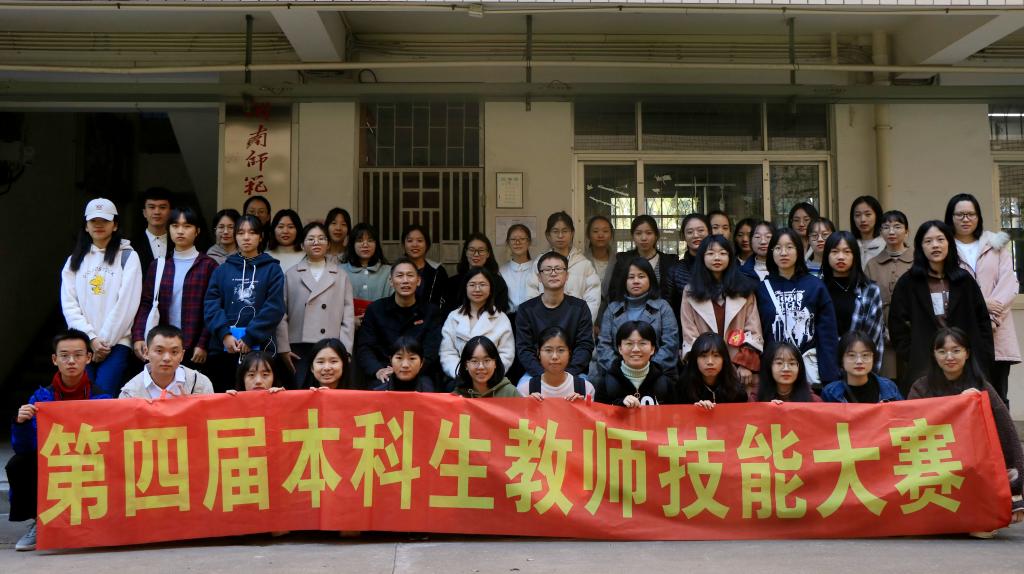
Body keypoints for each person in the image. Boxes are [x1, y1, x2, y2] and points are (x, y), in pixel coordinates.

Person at [907, 327, 1024, 532]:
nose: (949, 357)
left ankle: (980, 518)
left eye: (956, 350)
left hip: (973, 462)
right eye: (942, 351)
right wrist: (955, 405)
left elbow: (1007, 434)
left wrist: (1016, 493)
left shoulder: (982, 388)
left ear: (967, 353)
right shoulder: (921, 387)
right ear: (934, 355)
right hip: (934, 459)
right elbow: (908, 428)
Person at [7, 330, 111, 552]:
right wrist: (21, 423)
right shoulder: (40, 399)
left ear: (88, 358)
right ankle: (40, 521)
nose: (71, 361)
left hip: (90, 463)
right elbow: (24, 448)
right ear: (55, 360)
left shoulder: (102, 399)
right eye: (64, 355)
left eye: (78, 355)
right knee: (18, 463)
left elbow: (112, 445)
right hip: (54, 462)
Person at [890, 220, 993, 387]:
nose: (935, 245)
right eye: (928, 241)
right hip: (924, 364)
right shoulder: (908, 283)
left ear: (949, 243)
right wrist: (914, 353)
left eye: (940, 239)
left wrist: (982, 355)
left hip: (965, 363)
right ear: (920, 247)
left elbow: (983, 322)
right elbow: (897, 326)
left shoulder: (964, 280)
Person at [61, 197, 142, 396]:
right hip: (81, 345)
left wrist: (103, 342)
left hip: (117, 344)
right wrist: (91, 339)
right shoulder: (74, 260)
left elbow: (127, 304)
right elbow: (69, 305)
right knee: (80, 399)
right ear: (86, 226)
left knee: (103, 397)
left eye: (105, 220)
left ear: (115, 225)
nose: (99, 225)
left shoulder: (128, 256)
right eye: (93, 221)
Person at [945, 193, 1019, 407]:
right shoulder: (945, 248)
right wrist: (981, 304)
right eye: (960, 214)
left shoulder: (996, 245)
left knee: (997, 396)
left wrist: (990, 319)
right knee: (964, 397)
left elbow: (1009, 284)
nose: (965, 219)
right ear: (951, 217)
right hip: (962, 332)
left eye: (971, 214)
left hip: (997, 331)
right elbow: (945, 289)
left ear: (978, 217)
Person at [203, 214, 286, 392]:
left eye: (252, 232)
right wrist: (224, 335)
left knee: (259, 400)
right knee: (226, 398)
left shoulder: (273, 269)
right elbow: (211, 305)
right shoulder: (222, 270)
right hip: (225, 348)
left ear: (261, 236)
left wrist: (250, 337)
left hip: (260, 348)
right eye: (241, 233)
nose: (246, 237)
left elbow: (275, 307)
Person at [131, 206, 218, 370]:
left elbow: (212, 309)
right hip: (162, 345)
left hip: (193, 346)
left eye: (187, 226)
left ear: (197, 231)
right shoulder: (159, 265)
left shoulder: (208, 266)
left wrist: (202, 343)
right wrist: (138, 336)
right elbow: (146, 304)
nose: (180, 231)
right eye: (175, 226)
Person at [755, 227, 840, 391]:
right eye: (778, 248)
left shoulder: (815, 286)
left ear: (799, 251)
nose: (783, 253)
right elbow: (759, 334)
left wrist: (830, 377)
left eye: (789, 247)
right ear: (771, 253)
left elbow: (827, 334)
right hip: (773, 370)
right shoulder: (762, 289)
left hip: (808, 370)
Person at [679, 235, 762, 392]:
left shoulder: (744, 289)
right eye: (710, 253)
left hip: (738, 369)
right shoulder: (690, 292)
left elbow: (753, 331)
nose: (717, 258)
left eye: (723, 253)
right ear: (702, 258)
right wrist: (703, 364)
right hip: (704, 368)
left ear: (730, 257)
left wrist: (745, 364)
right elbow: (689, 334)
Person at [278, 222, 355, 388]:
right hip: (298, 347)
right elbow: (281, 314)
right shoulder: (291, 274)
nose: (316, 242)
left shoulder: (341, 275)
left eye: (321, 238)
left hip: (331, 346)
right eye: (311, 239)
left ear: (328, 244)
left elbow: (348, 316)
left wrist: (346, 349)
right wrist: (284, 347)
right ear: (302, 245)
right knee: (300, 391)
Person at [356, 257, 443, 386]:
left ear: (418, 281)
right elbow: (365, 347)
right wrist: (377, 370)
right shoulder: (375, 310)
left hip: (420, 373)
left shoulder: (431, 312)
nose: (405, 280)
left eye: (410, 275)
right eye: (400, 276)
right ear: (391, 281)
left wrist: (408, 369)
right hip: (384, 372)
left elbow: (431, 351)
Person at [515, 251, 595, 384]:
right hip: (536, 373)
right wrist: (543, 376)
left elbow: (585, 346)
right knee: (522, 388)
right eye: (547, 269)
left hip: (573, 373)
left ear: (567, 275)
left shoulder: (580, 308)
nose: (553, 273)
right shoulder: (526, 310)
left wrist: (567, 375)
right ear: (539, 277)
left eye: (558, 269)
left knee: (586, 389)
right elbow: (524, 349)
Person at [596, 257, 678, 382]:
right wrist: (621, 371)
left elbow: (670, 345)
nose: (636, 281)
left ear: (650, 279)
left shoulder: (663, 308)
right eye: (631, 277)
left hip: (656, 374)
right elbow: (603, 346)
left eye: (641, 276)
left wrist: (648, 372)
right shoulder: (612, 309)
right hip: (619, 376)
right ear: (624, 281)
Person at [821, 231, 884, 371]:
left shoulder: (870, 290)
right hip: (824, 365)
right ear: (826, 255)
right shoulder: (817, 288)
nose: (840, 257)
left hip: (859, 365)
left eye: (847, 252)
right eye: (835, 252)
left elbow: (874, 336)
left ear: (855, 255)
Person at [440, 266, 515, 381]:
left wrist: (488, 374)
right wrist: (462, 374)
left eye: (482, 284)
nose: (477, 289)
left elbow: (506, 354)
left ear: (491, 288)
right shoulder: (453, 317)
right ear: (465, 288)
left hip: (492, 378)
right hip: (459, 378)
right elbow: (447, 352)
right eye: (472, 285)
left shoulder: (501, 318)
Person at [865, 210, 914, 383]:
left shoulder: (919, 261)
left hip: (913, 334)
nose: (891, 231)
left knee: (912, 380)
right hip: (883, 336)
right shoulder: (872, 265)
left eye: (897, 226)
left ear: (907, 231)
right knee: (887, 383)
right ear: (881, 232)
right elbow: (868, 304)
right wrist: (883, 330)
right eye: (886, 227)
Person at [526, 211, 602, 322]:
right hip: (544, 325)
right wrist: (542, 323)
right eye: (555, 231)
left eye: (565, 231)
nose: (560, 236)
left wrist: (582, 324)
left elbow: (593, 299)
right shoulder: (539, 263)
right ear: (548, 235)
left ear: (572, 233)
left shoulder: (584, 264)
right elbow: (531, 295)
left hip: (577, 325)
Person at [119, 325, 215, 398]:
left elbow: (211, 416)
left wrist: (191, 407)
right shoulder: (130, 392)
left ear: (182, 355)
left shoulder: (199, 383)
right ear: (146, 352)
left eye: (174, 352)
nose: (167, 358)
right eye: (159, 351)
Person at [596, 321, 674, 407]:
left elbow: (675, 414)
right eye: (629, 343)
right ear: (620, 349)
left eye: (642, 343)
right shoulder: (606, 384)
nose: (636, 349)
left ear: (652, 349)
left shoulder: (665, 384)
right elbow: (598, 414)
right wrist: (620, 405)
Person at [607, 215, 679, 303]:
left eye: (649, 233)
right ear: (633, 236)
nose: (644, 238)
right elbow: (615, 293)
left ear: (656, 235)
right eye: (638, 233)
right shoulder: (623, 261)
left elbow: (674, 296)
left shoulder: (669, 262)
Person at [822, 331, 902, 403]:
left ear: (873, 358)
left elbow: (901, 413)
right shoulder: (830, 393)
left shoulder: (889, 387)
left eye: (865, 355)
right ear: (841, 359)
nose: (859, 361)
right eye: (852, 355)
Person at [518, 326, 594, 401]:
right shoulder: (525, 390)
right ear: (538, 353)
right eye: (548, 350)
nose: (554, 356)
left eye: (561, 350)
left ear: (569, 353)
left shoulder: (585, 389)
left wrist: (582, 405)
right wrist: (528, 405)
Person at [444, 233, 510, 315]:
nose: (476, 254)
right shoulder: (452, 283)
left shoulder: (498, 282)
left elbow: (501, 311)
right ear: (466, 252)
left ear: (488, 253)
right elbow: (447, 312)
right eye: (472, 250)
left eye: (481, 250)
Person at [678, 332, 749, 408]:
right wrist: (695, 409)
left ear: (724, 359)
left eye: (716, 355)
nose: (710, 362)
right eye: (703, 356)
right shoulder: (684, 387)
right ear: (695, 359)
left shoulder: (735, 389)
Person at [342, 223, 395, 321]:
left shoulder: (388, 271)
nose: (365, 245)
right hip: (348, 326)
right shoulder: (340, 271)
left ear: (376, 244)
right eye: (360, 240)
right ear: (352, 244)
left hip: (381, 326)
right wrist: (350, 320)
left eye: (370, 240)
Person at [665, 213, 710, 317]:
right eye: (690, 232)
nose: (695, 235)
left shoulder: (719, 265)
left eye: (701, 230)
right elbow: (669, 308)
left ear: (709, 232)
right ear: (683, 236)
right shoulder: (675, 271)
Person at [452, 335, 521, 398]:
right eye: (474, 361)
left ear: (495, 363)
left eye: (487, 360)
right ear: (465, 365)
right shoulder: (458, 396)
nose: (481, 367)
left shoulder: (510, 393)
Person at [757, 341, 822, 403]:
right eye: (779, 363)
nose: (786, 369)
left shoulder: (814, 401)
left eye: (792, 363)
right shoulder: (756, 399)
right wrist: (767, 407)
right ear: (769, 366)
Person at [402, 224, 448, 307]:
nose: (415, 244)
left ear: (427, 244)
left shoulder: (438, 271)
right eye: (410, 241)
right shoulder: (395, 270)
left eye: (419, 241)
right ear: (403, 244)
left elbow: (444, 300)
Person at [131, 186, 173, 274]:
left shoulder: (178, 243)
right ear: (144, 212)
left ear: (170, 212)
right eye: (152, 207)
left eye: (162, 207)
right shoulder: (131, 245)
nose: (157, 212)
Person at [584, 215, 617, 319]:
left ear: (611, 235)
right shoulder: (581, 261)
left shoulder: (619, 262)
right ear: (588, 235)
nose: (600, 235)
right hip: (588, 316)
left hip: (614, 316)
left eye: (605, 231)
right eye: (595, 231)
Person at [499, 223, 533, 315]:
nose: (517, 242)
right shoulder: (502, 271)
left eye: (522, 239)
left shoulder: (538, 268)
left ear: (529, 242)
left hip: (533, 318)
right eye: (513, 239)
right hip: (509, 318)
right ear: (508, 242)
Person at [851, 195, 886, 267]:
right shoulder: (849, 245)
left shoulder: (886, 244)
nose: (862, 219)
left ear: (877, 216)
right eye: (857, 215)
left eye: (868, 214)